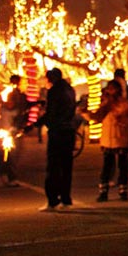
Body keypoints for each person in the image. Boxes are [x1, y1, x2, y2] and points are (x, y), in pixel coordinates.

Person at [88, 80, 128, 202]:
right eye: (109, 89)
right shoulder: (105, 105)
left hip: (122, 138)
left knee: (122, 166)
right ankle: (103, 192)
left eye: (113, 89)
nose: (110, 91)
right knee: (106, 166)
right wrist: (87, 113)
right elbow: (97, 117)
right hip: (107, 140)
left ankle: (123, 191)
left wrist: (124, 121)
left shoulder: (126, 105)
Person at [35, 68, 77, 211]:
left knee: (53, 167)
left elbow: (51, 113)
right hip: (69, 131)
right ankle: (66, 199)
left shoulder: (54, 91)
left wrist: (37, 124)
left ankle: (52, 200)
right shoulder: (70, 90)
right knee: (66, 167)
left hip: (57, 132)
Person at [0, 74, 30, 187]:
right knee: (8, 155)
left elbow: (23, 113)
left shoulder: (20, 98)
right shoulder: (10, 95)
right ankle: (8, 176)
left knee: (12, 155)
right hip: (7, 132)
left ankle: (7, 176)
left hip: (15, 130)